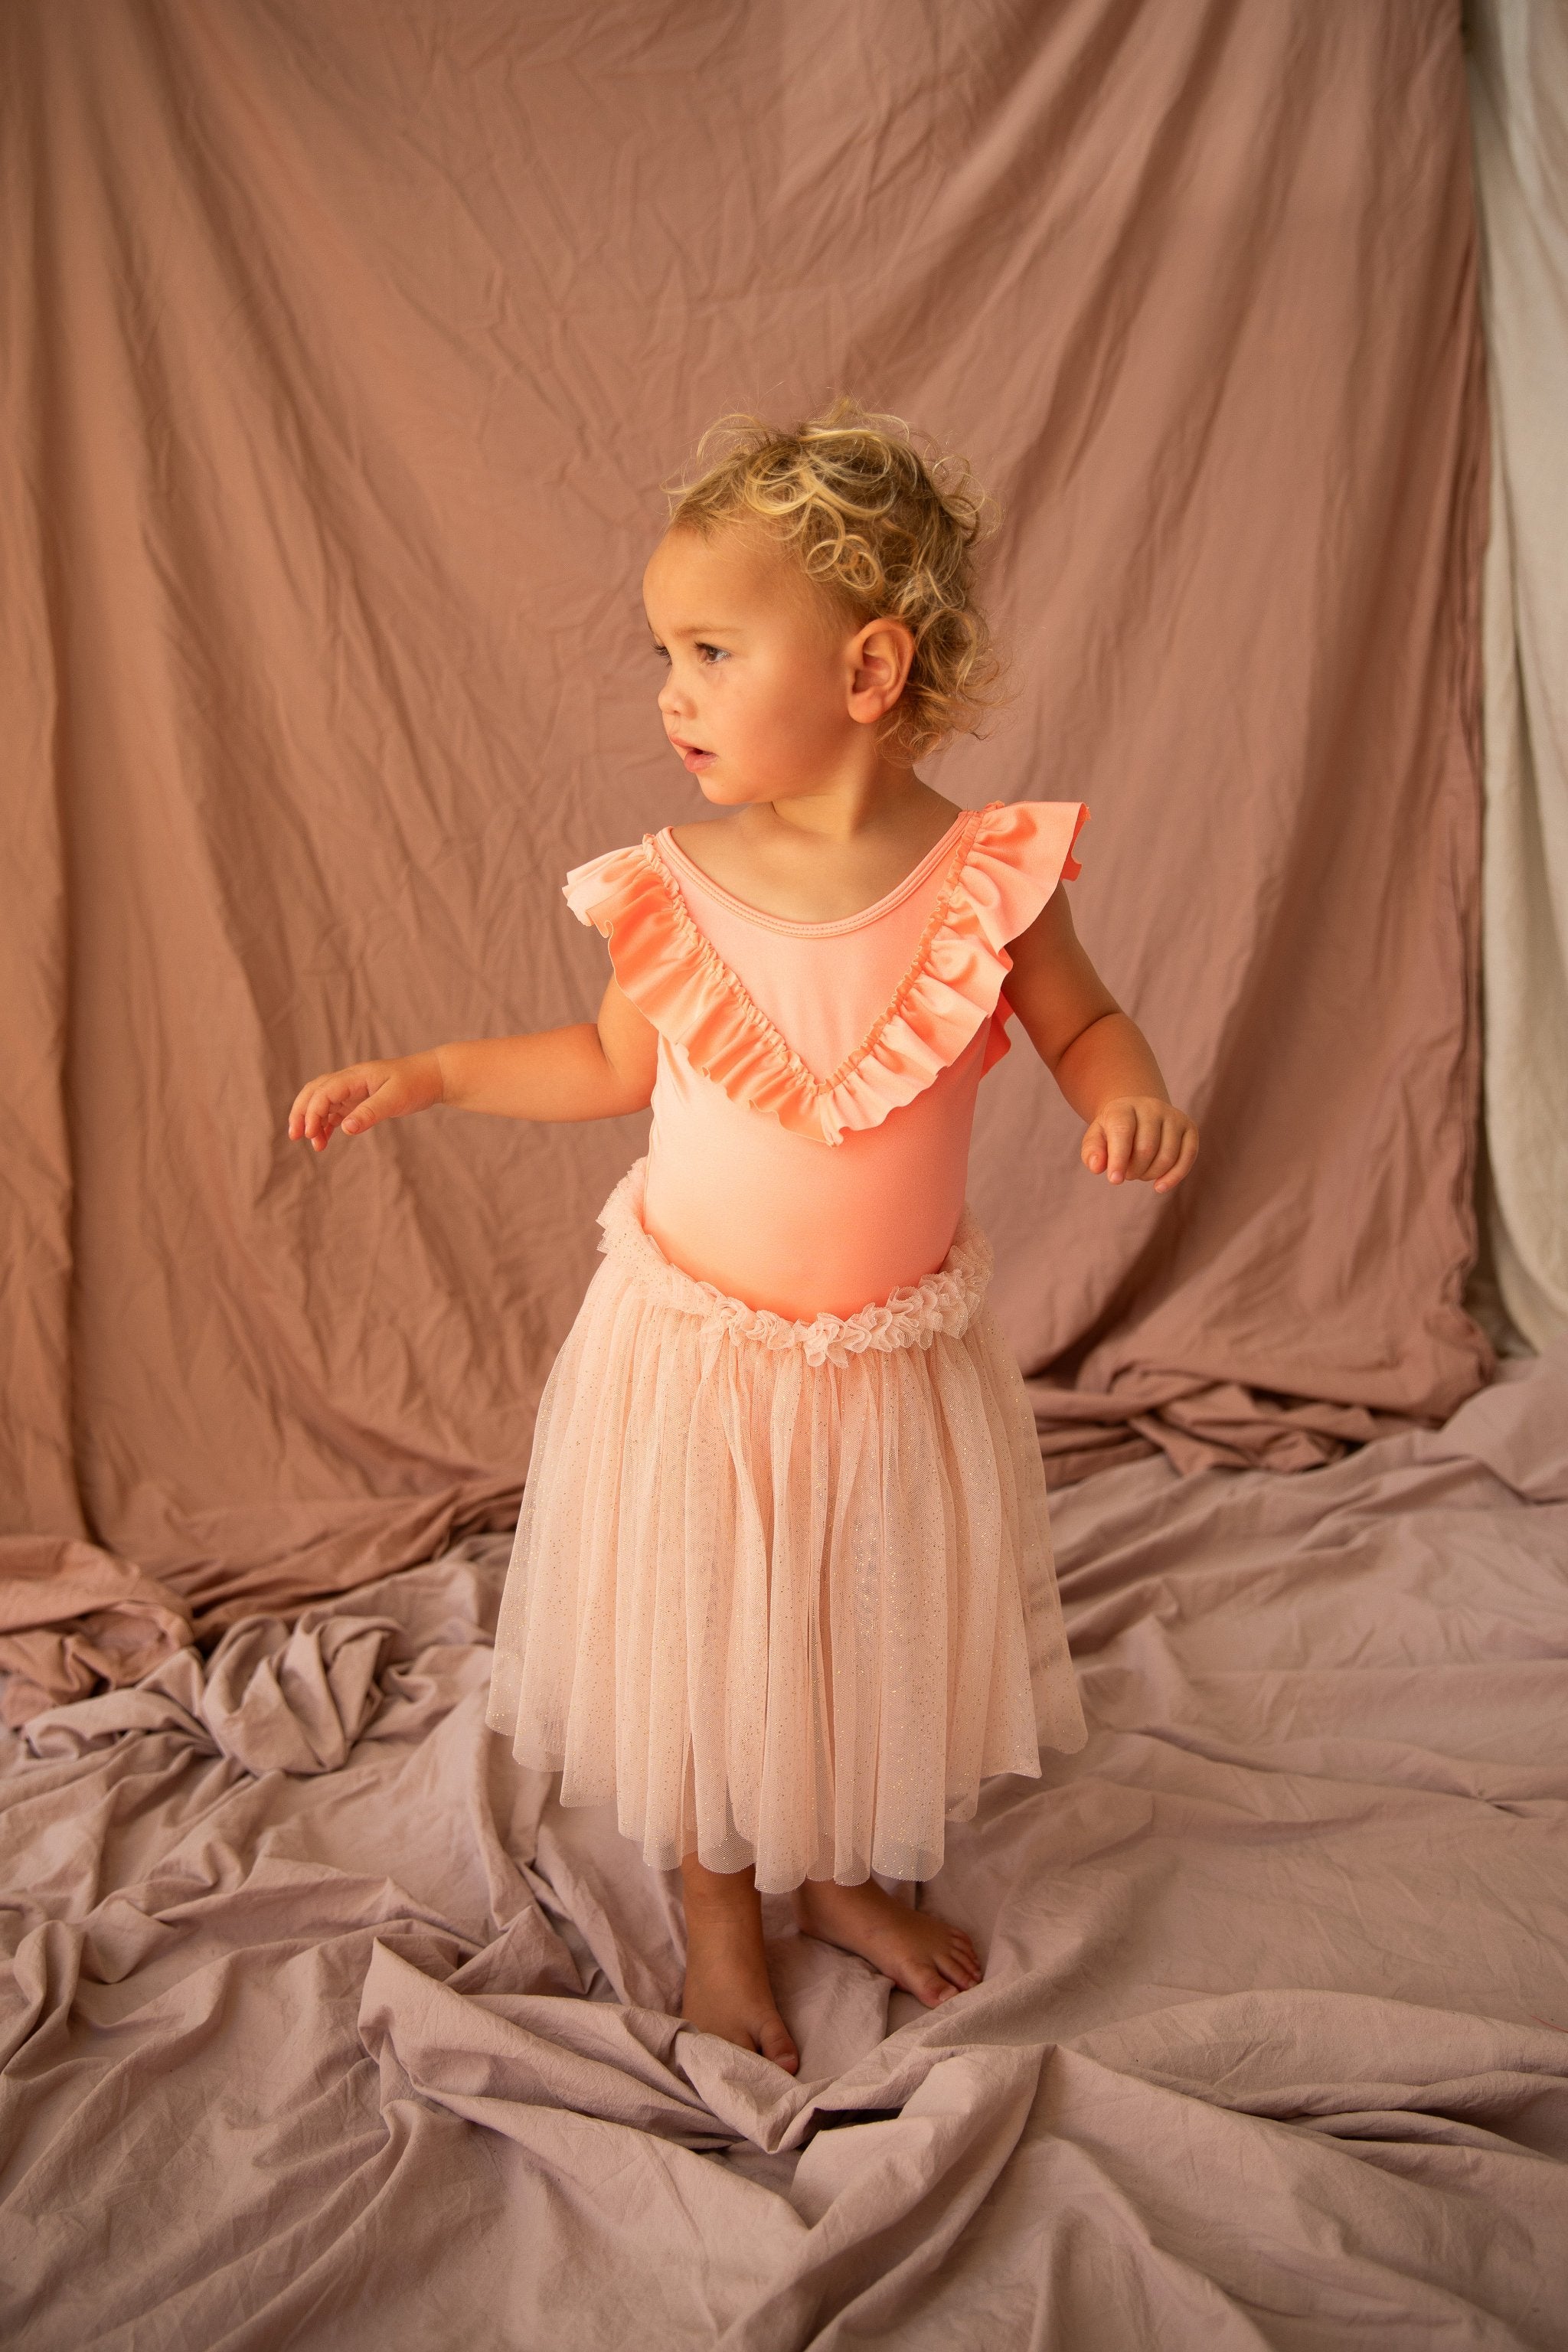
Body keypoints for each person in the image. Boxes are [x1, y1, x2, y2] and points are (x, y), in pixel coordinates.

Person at [287, 400, 1198, 2075]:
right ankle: (721, 1915)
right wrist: (426, 1072)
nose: (668, 692)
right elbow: (605, 1065)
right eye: (665, 652)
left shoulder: (989, 879)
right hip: (702, 1356)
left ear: (864, 674)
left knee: (853, 1630)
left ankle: (839, 1873)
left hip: (886, 1357)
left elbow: (1085, 1023)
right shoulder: (677, 886)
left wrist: (1122, 1092)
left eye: (709, 650)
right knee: (721, 1643)